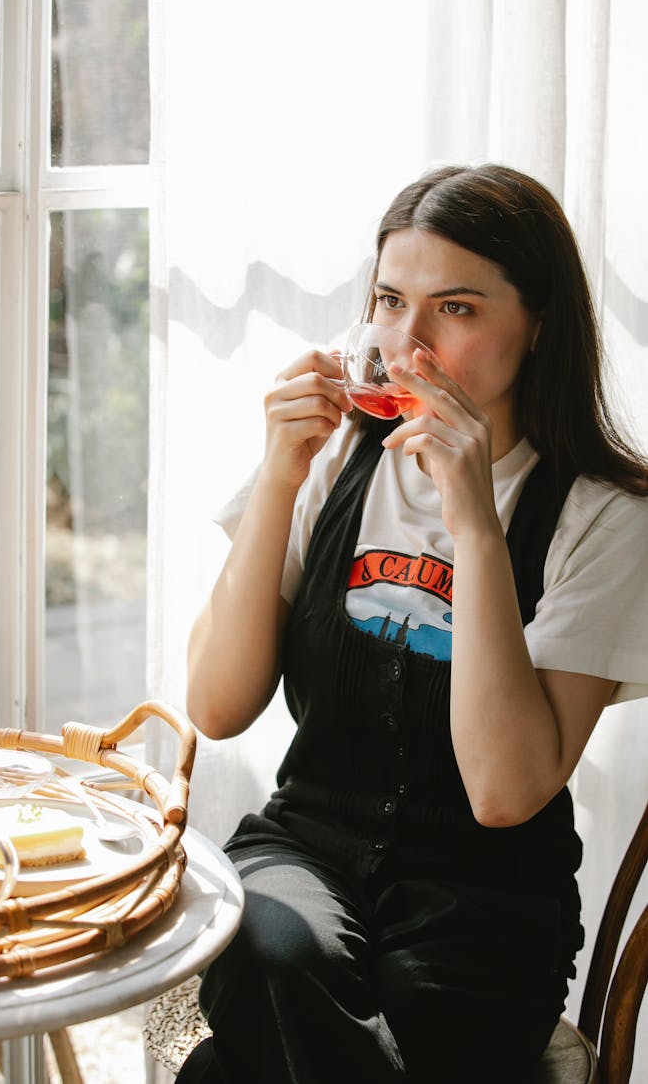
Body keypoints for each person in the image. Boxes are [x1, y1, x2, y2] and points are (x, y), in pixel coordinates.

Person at [176, 163, 648, 1084]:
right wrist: (279, 472)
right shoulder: (331, 458)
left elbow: (506, 792)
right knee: (265, 952)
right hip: (303, 848)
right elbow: (217, 705)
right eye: (390, 301)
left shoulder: (605, 515)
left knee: (225, 1073)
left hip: (484, 902)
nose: (408, 344)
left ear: (539, 324)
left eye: (457, 309)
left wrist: (474, 518)